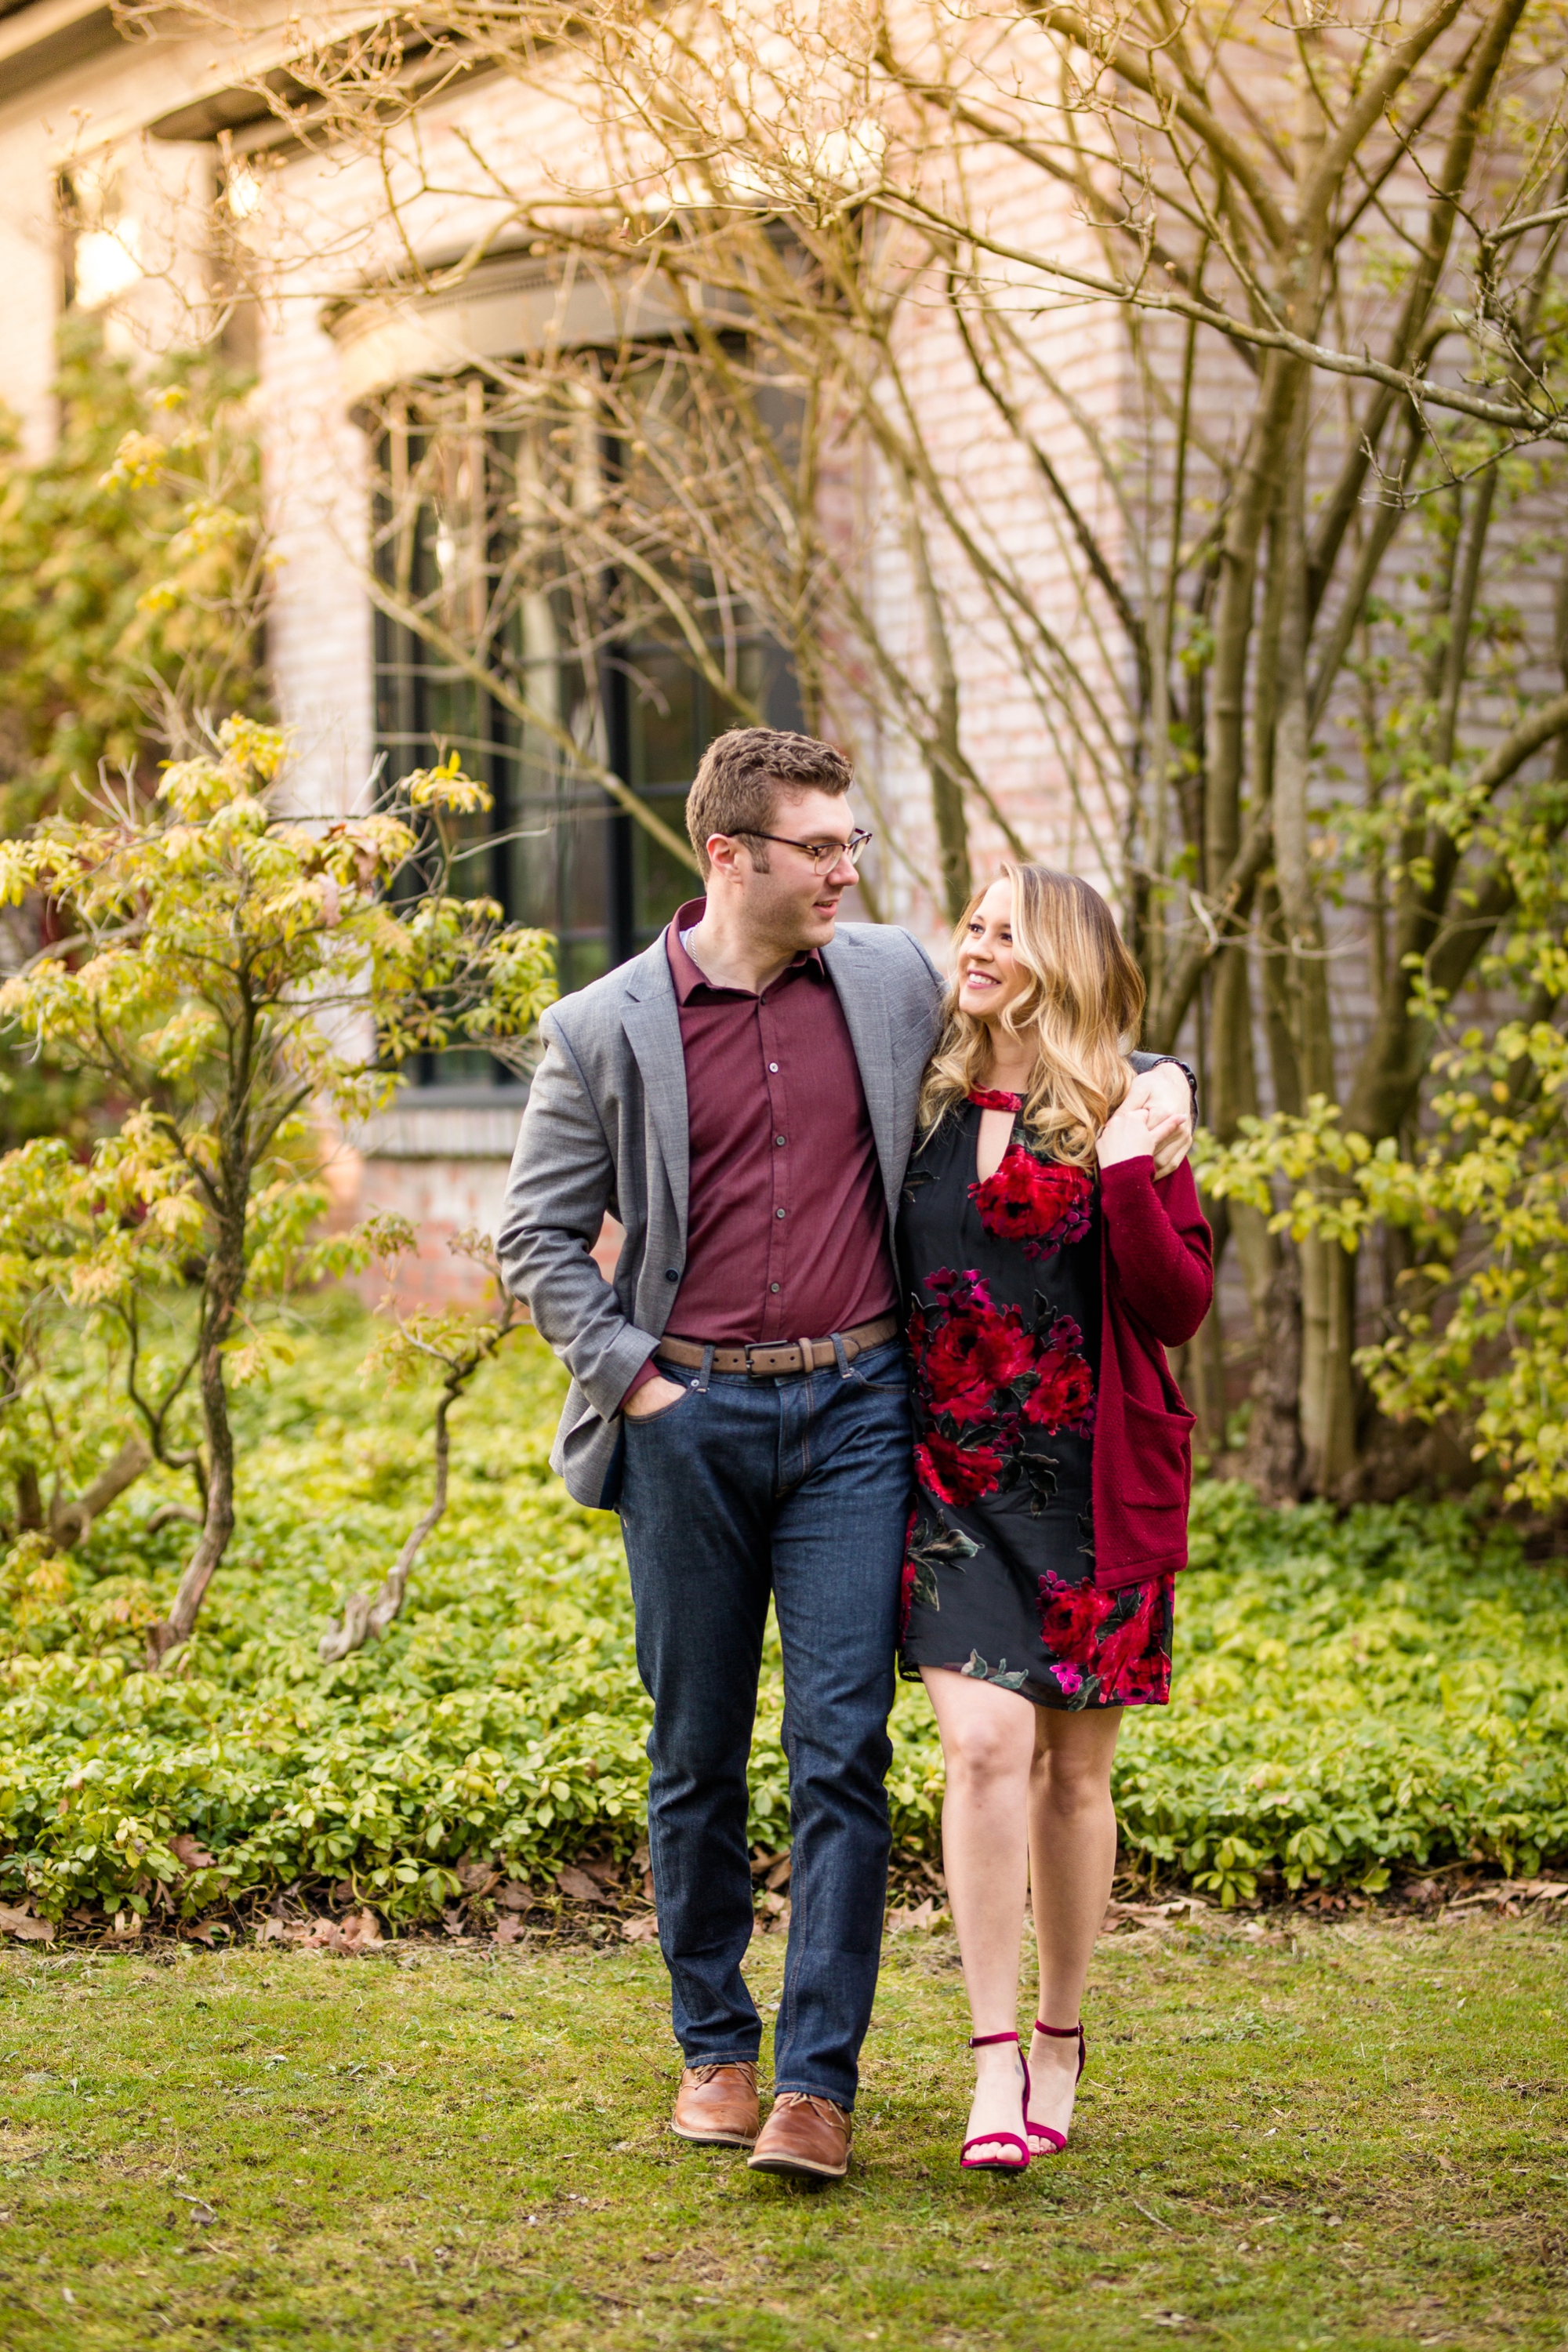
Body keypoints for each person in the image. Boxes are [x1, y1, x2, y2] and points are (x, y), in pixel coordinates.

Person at [498, 730, 1195, 2184]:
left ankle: (818, 2083)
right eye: (822, 848)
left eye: (854, 845)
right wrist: (636, 1389)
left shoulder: (887, 980)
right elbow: (535, 1241)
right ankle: (714, 2049)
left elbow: (1063, 1022)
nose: (850, 870)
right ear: (731, 855)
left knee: (843, 1750)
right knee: (692, 1750)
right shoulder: (603, 1028)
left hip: (860, 1418)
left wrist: (1165, 1078)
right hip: (683, 1419)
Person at [897, 862, 1212, 2172]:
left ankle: (1063, 2036)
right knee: (980, 1748)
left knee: (1074, 1776)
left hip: (1088, 1487)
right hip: (948, 1487)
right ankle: (987, 2067)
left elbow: (1175, 1302)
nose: (976, 945)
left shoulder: (1129, 1104)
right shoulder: (915, 1090)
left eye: (1006, 932)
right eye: (971, 922)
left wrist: (1137, 1149)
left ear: (1062, 958)